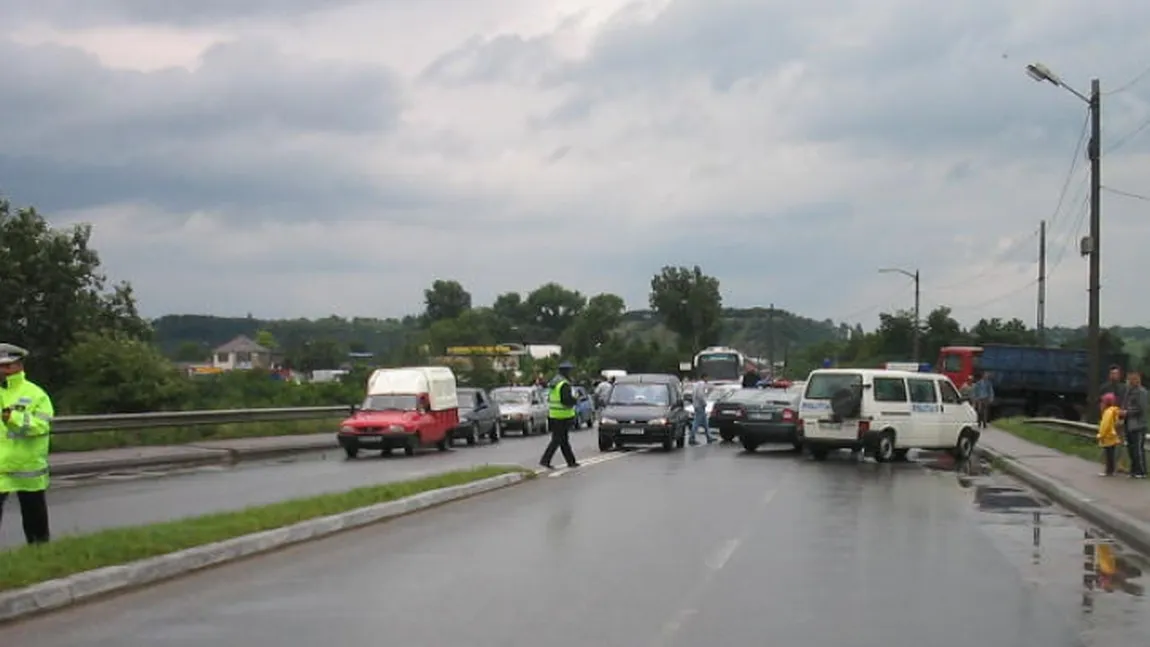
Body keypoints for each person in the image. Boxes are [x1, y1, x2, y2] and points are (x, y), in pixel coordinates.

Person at [0, 343, 55, 544]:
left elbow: (42, 425)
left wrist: (12, 418)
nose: (2, 371)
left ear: (19, 366)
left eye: (6, 366)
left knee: (35, 519)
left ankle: (40, 555)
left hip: (27, 466)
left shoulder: (35, 394)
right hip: (0, 467)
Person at [540, 361, 579, 469]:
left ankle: (571, 461)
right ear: (566, 372)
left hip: (554, 415)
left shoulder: (554, 382)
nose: (570, 373)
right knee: (558, 440)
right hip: (563, 416)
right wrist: (575, 400)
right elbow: (565, 400)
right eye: (569, 371)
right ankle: (545, 460)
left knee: (563, 440)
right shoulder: (564, 384)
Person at [1120, 371, 1148, 479]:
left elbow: (1141, 408)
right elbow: (1125, 404)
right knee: (1131, 448)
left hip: (1138, 424)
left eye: (1132, 379)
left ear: (1138, 380)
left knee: (1138, 449)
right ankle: (1134, 469)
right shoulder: (1128, 391)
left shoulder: (1142, 392)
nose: (1130, 381)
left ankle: (1141, 471)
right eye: (1129, 379)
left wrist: (1127, 412)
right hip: (1129, 423)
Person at [1097, 392, 1122, 477]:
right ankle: (1111, 470)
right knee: (1111, 454)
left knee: (1108, 455)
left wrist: (1101, 435)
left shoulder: (1108, 412)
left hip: (1108, 436)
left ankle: (1109, 471)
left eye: (1102, 402)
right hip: (1112, 435)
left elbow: (1105, 425)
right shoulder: (1114, 410)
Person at [690, 373, 714, 445]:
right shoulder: (702, 384)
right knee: (696, 422)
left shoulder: (696, 384)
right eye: (707, 378)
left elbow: (694, 394)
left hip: (696, 405)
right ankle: (692, 438)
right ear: (704, 377)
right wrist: (704, 403)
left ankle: (709, 437)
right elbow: (700, 395)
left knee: (705, 422)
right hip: (700, 406)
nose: (708, 380)